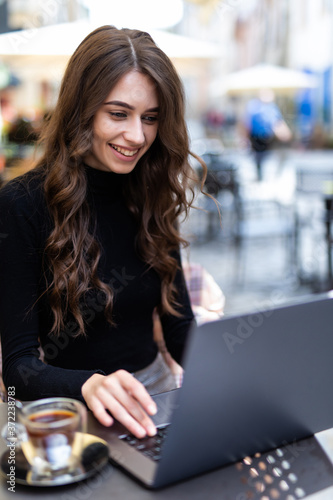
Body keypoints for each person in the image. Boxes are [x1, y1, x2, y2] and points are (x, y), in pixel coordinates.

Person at [0, 25, 206, 439]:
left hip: (157, 401)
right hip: (72, 414)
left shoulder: (151, 191)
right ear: (82, 108)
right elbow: (19, 368)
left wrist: (233, 375)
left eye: (151, 118)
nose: (137, 136)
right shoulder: (21, 204)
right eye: (118, 113)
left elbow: (179, 328)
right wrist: (89, 383)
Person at [244, 89, 291, 181]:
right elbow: (247, 123)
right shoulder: (254, 106)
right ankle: (261, 175)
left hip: (268, 137)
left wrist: (284, 133)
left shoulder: (271, 108)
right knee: (259, 157)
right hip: (256, 137)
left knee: (267, 157)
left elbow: (277, 122)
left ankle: (267, 176)